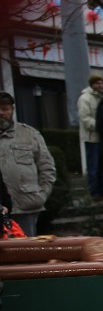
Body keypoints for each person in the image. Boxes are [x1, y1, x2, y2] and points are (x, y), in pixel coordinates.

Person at [0, 91, 56, 237]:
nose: (1, 113)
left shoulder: (30, 134)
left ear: (12, 110)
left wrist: (41, 195)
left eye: (5, 109)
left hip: (26, 206)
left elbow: (47, 168)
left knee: (26, 252)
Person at [77, 74, 103, 200]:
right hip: (92, 138)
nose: (100, 85)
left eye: (101, 83)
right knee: (93, 167)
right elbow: (85, 119)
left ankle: (102, 191)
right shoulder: (85, 98)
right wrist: (100, 125)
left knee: (102, 166)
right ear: (92, 84)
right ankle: (94, 192)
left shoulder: (101, 97)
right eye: (98, 83)